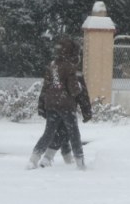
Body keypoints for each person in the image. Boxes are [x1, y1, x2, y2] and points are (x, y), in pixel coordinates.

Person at [27, 38, 86, 170]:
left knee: (49, 133)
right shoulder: (70, 67)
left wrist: (42, 104)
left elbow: (46, 86)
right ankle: (80, 162)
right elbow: (73, 89)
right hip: (66, 105)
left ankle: (34, 159)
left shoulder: (52, 65)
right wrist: (79, 87)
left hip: (51, 104)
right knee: (74, 133)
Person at [36, 72, 92, 167]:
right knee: (67, 132)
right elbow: (82, 95)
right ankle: (48, 158)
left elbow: (45, 89)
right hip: (68, 108)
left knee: (61, 131)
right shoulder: (75, 73)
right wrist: (86, 111)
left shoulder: (54, 71)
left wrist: (42, 106)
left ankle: (64, 158)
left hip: (53, 106)